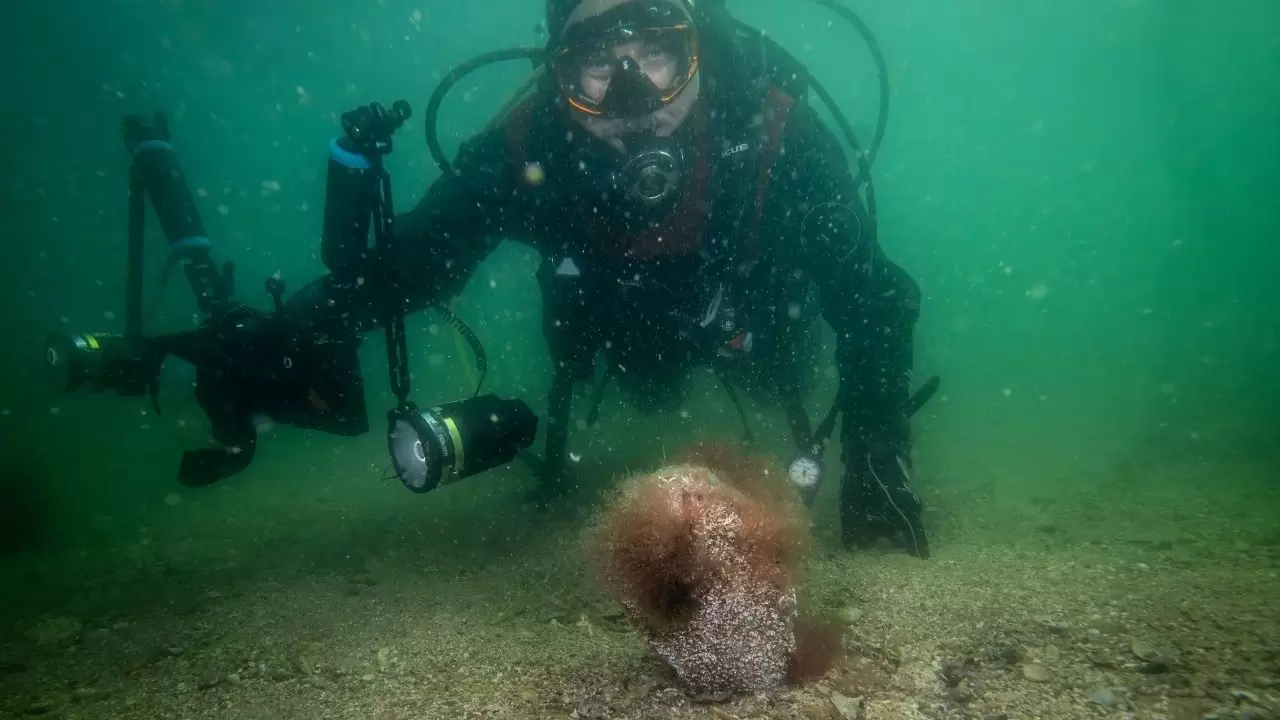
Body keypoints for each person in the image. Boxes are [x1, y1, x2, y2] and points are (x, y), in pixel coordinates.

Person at [286, 0, 930, 558]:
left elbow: (874, 296)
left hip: (758, 326)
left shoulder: (774, 131)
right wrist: (290, 334)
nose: (632, 95)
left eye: (657, 51)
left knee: (781, 369)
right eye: (597, 60)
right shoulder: (528, 144)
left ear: (698, 49)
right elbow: (418, 260)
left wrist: (878, 465)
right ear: (558, 73)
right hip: (621, 337)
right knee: (650, 388)